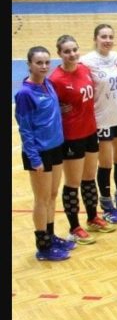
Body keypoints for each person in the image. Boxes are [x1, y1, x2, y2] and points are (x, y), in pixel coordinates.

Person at [51, 34, 114, 244]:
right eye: (67, 51)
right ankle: (74, 227)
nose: (72, 54)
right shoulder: (56, 79)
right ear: (59, 54)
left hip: (90, 131)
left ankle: (92, 218)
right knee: (73, 183)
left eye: (74, 50)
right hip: (71, 136)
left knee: (89, 178)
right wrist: (58, 109)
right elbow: (48, 105)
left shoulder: (85, 70)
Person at [16, 46, 73, 261]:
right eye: (39, 63)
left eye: (47, 62)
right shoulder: (25, 94)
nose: (44, 66)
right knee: (41, 199)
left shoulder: (48, 84)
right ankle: (43, 247)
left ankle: (51, 236)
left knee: (52, 195)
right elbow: (25, 129)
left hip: (56, 147)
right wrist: (34, 158)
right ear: (29, 64)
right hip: (39, 153)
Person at [81, 24, 117, 223]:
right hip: (102, 120)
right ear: (95, 39)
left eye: (110, 37)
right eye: (103, 36)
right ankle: (107, 206)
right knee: (105, 163)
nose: (107, 40)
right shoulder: (86, 61)